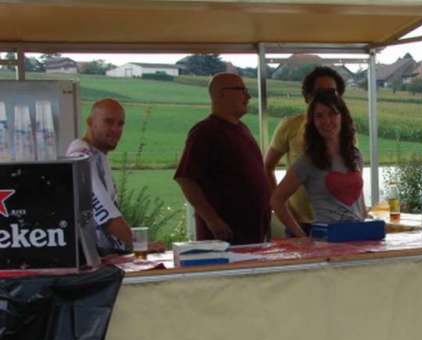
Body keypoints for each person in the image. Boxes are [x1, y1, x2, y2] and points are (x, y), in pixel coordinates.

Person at [174, 73, 270, 244]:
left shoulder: (242, 129)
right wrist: (213, 221)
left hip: (252, 235)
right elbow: (186, 179)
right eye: (242, 90)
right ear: (221, 94)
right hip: (224, 239)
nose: (248, 96)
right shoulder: (205, 132)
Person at [66, 98, 165, 256]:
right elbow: (105, 213)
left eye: (120, 124)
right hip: (92, 257)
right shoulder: (81, 156)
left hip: (102, 254)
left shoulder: (98, 153)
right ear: (90, 122)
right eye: (108, 122)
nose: (115, 129)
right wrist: (140, 244)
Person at [270, 89, 366, 237]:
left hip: (358, 237)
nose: (326, 121)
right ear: (313, 122)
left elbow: (360, 199)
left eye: (332, 114)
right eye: (319, 116)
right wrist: (301, 236)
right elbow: (277, 200)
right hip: (327, 240)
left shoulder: (355, 156)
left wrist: (366, 223)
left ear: (342, 117)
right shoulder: (308, 161)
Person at [264, 66, 346, 236]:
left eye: (332, 92)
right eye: (320, 92)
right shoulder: (290, 126)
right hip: (301, 222)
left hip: (339, 224)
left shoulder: (345, 132)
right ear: (308, 96)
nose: (326, 97)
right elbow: (267, 166)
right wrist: (284, 208)